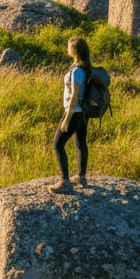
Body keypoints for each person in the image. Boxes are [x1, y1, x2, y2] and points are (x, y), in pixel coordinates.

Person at [51, 35, 92, 193]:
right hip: (81, 113)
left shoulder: (78, 71)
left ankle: (65, 181)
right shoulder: (80, 68)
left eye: (69, 47)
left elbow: (75, 95)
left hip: (74, 112)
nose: (67, 48)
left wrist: (67, 119)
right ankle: (81, 177)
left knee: (57, 144)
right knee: (80, 143)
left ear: (75, 50)